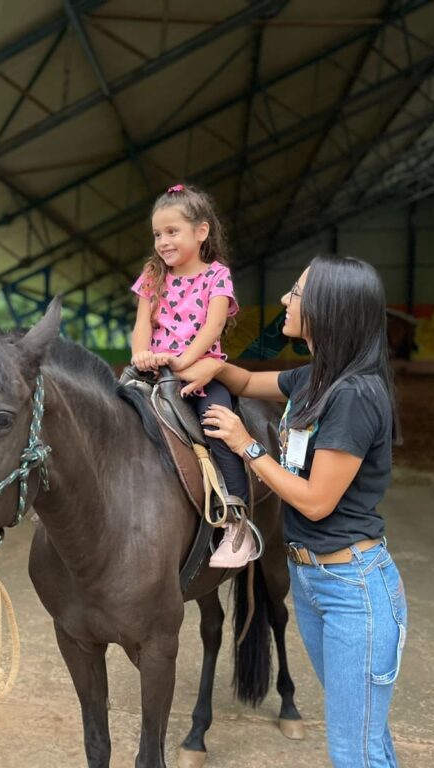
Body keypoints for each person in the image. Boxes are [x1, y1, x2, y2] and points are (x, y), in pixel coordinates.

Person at [177, 254, 408, 767]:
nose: (284, 300)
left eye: (296, 293)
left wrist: (246, 446)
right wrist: (213, 365)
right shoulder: (315, 379)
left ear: (328, 308)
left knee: (355, 751)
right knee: (365, 738)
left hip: (353, 588)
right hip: (315, 581)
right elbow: (244, 383)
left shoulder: (353, 395)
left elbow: (315, 500)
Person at [129, 182, 257, 567]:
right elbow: (141, 325)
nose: (163, 242)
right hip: (154, 369)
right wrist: (140, 354)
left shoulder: (216, 276)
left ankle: (237, 523)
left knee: (218, 427)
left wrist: (183, 361)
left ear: (201, 232)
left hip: (200, 371)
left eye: (172, 232)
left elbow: (212, 327)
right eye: (157, 234)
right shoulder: (153, 276)